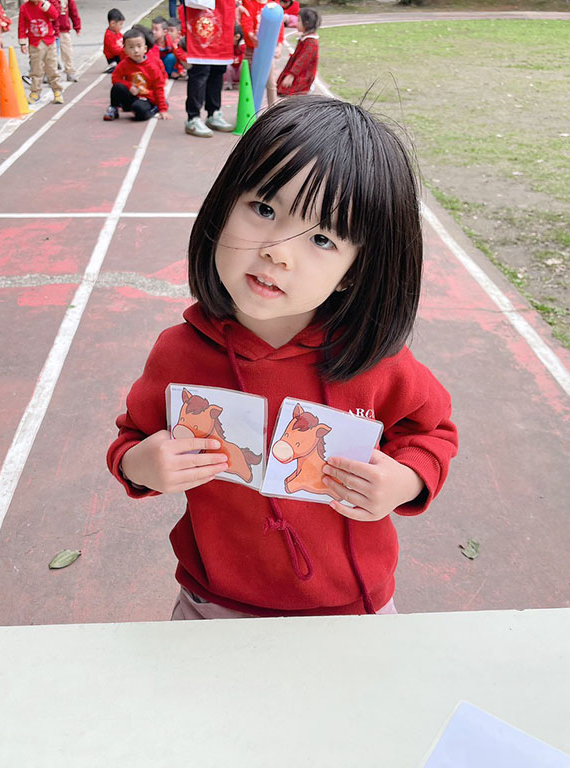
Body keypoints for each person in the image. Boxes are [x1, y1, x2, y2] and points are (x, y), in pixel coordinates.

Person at [107, 97, 459, 620]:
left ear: (355, 272)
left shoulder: (376, 361)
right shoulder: (177, 354)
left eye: (322, 238)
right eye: (265, 209)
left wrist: (404, 482)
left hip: (351, 612)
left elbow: (433, 434)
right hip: (211, 604)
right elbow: (131, 440)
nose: (278, 251)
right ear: (224, 204)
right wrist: (142, 465)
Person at [183, 0, 235, 138]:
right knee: (200, 69)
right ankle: (193, 118)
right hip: (202, 9)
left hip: (224, 9)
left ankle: (214, 112)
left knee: (218, 69)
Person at [103, 27, 169, 121]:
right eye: (131, 47)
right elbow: (115, 78)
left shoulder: (152, 67)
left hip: (146, 98)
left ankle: (154, 109)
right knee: (117, 87)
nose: (136, 50)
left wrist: (163, 109)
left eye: (139, 46)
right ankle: (113, 108)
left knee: (139, 110)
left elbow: (159, 88)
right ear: (125, 50)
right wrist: (129, 86)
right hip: (132, 95)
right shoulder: (124, 64)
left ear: (145, 48)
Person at [19, 0, 63, 104]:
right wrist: (22, 43)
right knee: (36, 69)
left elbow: (55, 15)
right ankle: (35, 91)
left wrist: (45, 5)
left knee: (52, 68)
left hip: (49, 42)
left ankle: (57, 91)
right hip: (35, 43)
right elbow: (22, 26)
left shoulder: (45, 5)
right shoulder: (24, 8)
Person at [276, 7, 318, 97]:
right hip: (298, 75)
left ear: (306, 23)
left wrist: (291, 75)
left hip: (302, 77)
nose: (296, 23)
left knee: (295, 95)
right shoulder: (305, 39)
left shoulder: (311, 42)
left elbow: (303, 60)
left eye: (299, 21)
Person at [54, 0, 81, 82]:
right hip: (50, 30)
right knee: (50, 54)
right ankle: (49, 73)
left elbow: (73, 12)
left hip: (64, 29)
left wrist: (77, 26)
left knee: (67, 52)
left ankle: (70, 71)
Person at [223, 24, 244, 90]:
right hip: (231, 71)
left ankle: (243, 83)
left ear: (237, 37)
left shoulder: (243, 46)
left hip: (240, 71)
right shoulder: (228, 46)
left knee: (244, 65)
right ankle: (227, 84)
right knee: (226, 65)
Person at [103, 8, 124, 73]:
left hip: (119, 53)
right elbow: (115, 50)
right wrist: (124, 50)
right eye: (120, 24)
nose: (122, 26)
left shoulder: (118, 33)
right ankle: (113, 67)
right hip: (113, 57)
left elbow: (123, 40)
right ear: (112, 23)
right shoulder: (109, 35)